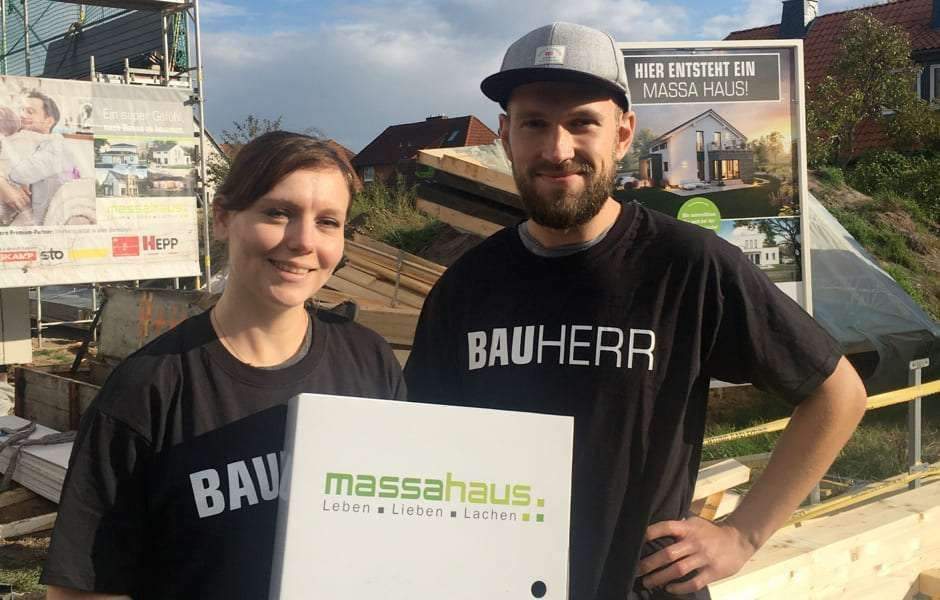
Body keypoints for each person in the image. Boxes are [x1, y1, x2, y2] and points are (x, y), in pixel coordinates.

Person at [404, 22, 867, 600]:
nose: (557, 150)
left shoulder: (688, 265)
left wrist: (743, 534)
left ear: (623, 135)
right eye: (534, 124)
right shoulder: (466, 286)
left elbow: (838, 394)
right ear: (505, 135)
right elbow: (420, 449)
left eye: (582, 123)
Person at [41, 131, 406, 599]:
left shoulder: (369, 362)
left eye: (328, 222)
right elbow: (82, 590)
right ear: (222, 218)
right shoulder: (148, 390)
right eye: (278, 212)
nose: (303, 241)